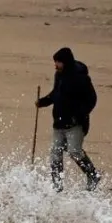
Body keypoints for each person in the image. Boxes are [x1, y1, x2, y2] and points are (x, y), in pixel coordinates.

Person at [36, 47, 102, 192]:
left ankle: (93, 175)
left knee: (74, 151)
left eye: (58, 62)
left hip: (75, 124)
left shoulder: (80, 77)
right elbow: (56, 93)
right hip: (58, 122)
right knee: (55, 153)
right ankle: (57, 184)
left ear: (65, 62)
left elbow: (92, 99)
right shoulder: (59, 74)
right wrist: (44, 102)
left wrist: (78, 116)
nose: (55, 65)